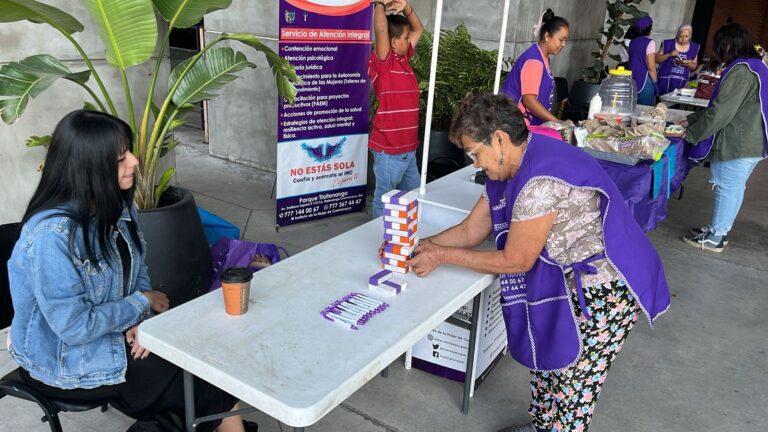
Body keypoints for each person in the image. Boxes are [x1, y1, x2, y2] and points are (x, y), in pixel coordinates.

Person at [407, 93, 670, 432]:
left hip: (605, 290)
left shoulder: (537, 181)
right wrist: (418, 246)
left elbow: (516, 260)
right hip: (565, 280)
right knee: (550, 364)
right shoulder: (513, 164)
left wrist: (441, 256)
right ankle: (542, 426)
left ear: (499, 139)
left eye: (475, 152)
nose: (475, 164)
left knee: (574, 387)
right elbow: (472, 230)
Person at [6, 110, 255, 432]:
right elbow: (74, 327)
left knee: (206, 359)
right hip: (66, 359)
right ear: (89, 167)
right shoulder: (51, 237)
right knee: (206, 384)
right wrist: (140, 303)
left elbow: (137, 270)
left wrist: (142, 322)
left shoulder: (116, 206)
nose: (135, 162)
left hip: (113, 333)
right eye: (121, 157)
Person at [682, 23, 767, 252]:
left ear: (729, 45)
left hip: (739, 143)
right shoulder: (755, 65)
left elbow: (720, 113)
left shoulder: (741, 71)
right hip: (752, 141)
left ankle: (715, 237)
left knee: (726, 189)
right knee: (735, 189)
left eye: (719, 47)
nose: (718, 52)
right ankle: (718, 231)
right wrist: (691, 120)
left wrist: (690, 133)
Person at [368, 0, 424, 218]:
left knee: (414, 196)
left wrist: (406, 7)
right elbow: (381, 28)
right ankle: (381, 241)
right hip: (388, 151)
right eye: (405, 38)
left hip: (408, 149)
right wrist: (380, 3)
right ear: (392, 43)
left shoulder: (404, 58)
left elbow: (418, 29)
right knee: (386, 198)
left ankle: (404, 239)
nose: (410, 40)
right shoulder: (384, 63)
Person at [501, 8, 569, 126]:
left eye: (565, 40)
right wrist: (556, 122)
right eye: (561, 40)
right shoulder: (534, 61)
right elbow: (529, 101)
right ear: (547, 36)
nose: (563, 44)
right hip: (516, 125)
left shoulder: (542, 57)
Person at [655, 24, 699, 95]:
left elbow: (694, 66)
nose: (683, 39)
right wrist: (669, 54)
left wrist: (687, 63)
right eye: (681, 36)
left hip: (681, 83)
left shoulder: (694, 47)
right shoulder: (667, 43)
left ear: (690, 36)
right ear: (677, 34)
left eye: (686, 37)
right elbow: (656, 59)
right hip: (664, 81)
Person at [627, 15, 657, 105]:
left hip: (631, 79)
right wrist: (655, 82)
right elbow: (651, 67)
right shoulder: (650, 42)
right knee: (645, 113)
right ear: (649, 29)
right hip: (645, 81)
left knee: (631, 111)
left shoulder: (632, 42)